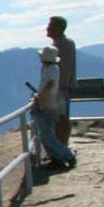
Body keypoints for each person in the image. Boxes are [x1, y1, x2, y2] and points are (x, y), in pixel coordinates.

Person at [32, 46, 77, 170]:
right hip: (47, 103)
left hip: (48, 104)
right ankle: (57, 158)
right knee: (46, 135)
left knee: (48, 135)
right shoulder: (50, 68)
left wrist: (40, 96)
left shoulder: (51, 69)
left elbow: (50, 84)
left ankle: (68, 156)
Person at [46, 15, 76, 143]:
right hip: (62, 87)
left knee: (61, 119)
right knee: (60, 118)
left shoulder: (62, 45)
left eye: (50, 25)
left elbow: (63, 69)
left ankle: (62, 147)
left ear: (58, 28)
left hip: (60, 88)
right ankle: (61, 146)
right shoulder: (65, 43)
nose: (47, 28)